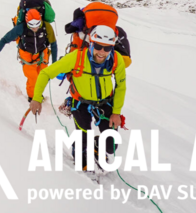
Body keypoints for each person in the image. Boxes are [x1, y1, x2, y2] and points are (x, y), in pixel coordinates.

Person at [29, 25, 127, 170]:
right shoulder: (77, 57)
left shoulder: (116, 59)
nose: (102, 52)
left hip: (105, 104)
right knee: (83, 142)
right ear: (92, 43)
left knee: (111, 146)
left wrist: (116, 112)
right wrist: (36, 98)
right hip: (80, 104)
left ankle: (96, 145)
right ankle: (80, 151)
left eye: (107, 48)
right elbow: (45, 73)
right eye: (99, 46)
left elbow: (121, 86)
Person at [0, 8, 57, 100]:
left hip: (42, 53)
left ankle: (37, 94)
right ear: (26, 21)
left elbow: (53, 44)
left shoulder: (47, 27)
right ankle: (32, 98)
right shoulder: (21, 28)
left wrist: (54, 64)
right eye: (31, 25)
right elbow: (4, 39)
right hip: (27, 55)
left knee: (43, 77)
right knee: (33, 78)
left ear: (40, 20)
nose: (34, 28)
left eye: (37, 24)